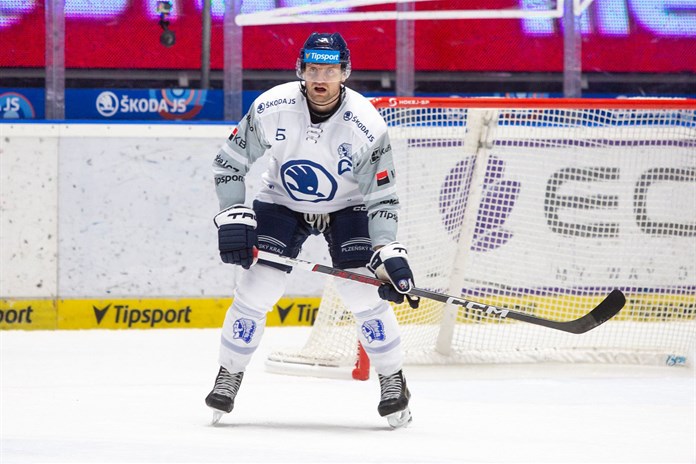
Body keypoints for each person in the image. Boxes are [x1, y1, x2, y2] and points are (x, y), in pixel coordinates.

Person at [206, 32, 419, 428]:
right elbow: (229, 163)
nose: (321, 78)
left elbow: (382, 198)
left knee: (361, 291)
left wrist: (386, 251)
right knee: (258, 287)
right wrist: (233, 212)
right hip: (282, 200)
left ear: (345, 72)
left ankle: (392, 378)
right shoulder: (271, 107)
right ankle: (229, 372)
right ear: (301, 70)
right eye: (313, 68)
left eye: (331, 70)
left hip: (348, 205)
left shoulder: (366, 124)